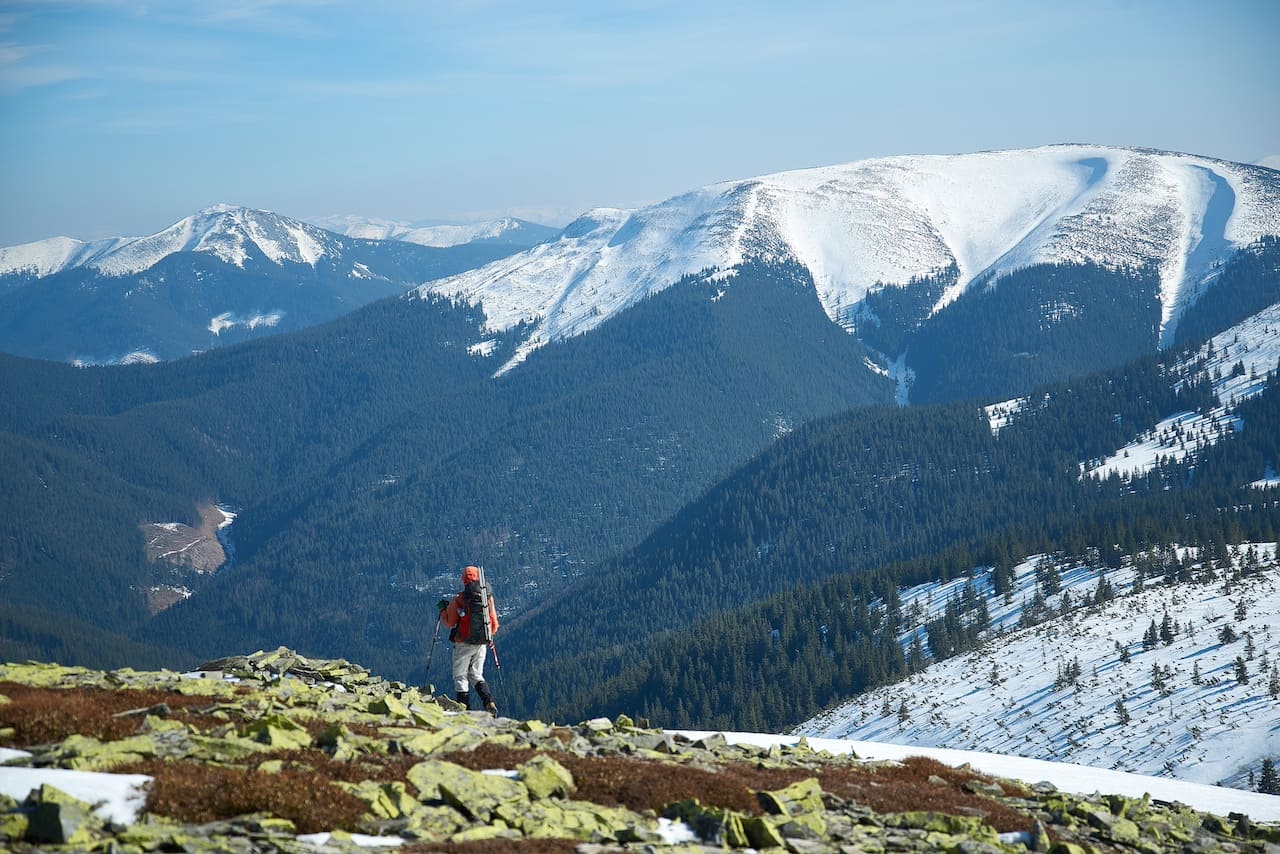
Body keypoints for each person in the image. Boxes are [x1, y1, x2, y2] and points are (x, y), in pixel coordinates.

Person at [439, 565, 500, 715]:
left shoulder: (460, 598)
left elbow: (449, 622)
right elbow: (494, 623)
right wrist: (487, 636)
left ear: (464, 580)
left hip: (463, 643)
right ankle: (489, 702)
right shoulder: (487, 598)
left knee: (460, 676)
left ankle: (464, 710)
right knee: (476, 674)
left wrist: (442, 610)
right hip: (482, 643)